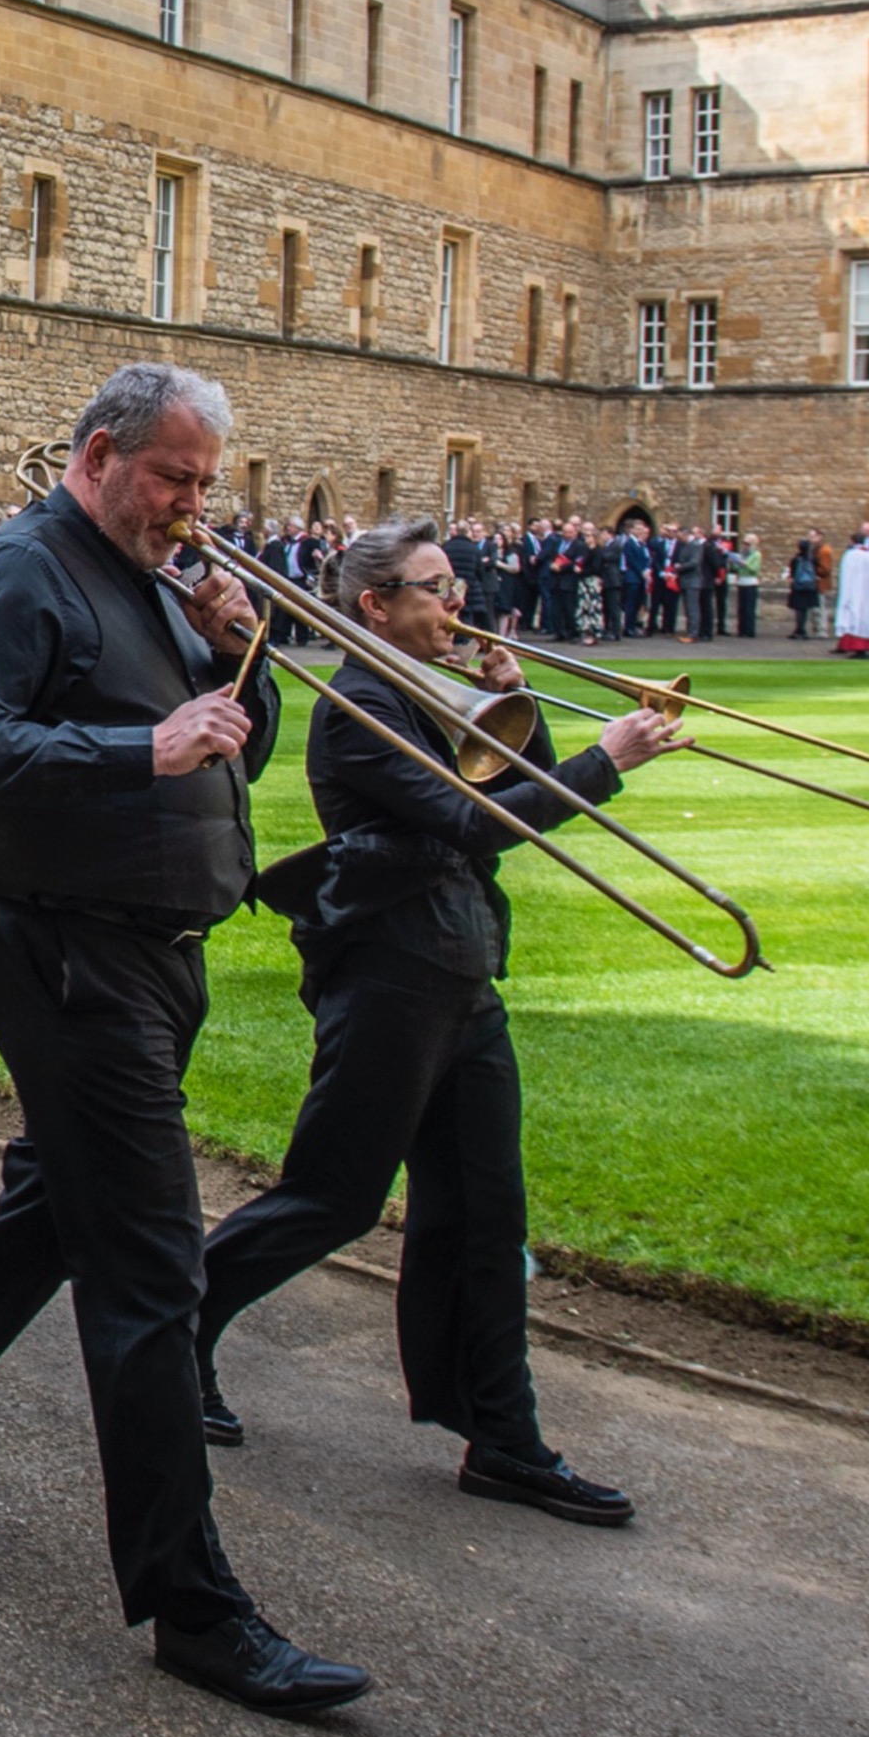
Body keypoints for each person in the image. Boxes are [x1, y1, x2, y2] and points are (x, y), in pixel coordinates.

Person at [0, 365, 364, 1723]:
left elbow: (227, 744)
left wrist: (233, 650)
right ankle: (195, 1606)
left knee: (56, 1215)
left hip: (156, 952)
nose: (195, 506)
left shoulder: (158, 571)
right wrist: (145, 740)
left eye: (207, 482)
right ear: (103, 452)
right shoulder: (24, 567)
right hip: (66, 952)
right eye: (176, 478)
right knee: (150, 1270)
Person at [198, 522, 678, 1522]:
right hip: (386, 972)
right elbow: (474, 820)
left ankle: (503, 1437)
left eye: (452, 583)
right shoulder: (356, 701)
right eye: (430, 588)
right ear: (372, 604)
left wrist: (522, 703)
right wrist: (608, 753)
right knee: (331, 1197)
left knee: (483, 1214)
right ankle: (168, 1326)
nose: (451, 604)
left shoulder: (427, 684)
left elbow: (503, 789)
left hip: (458, 964)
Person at [831, 527, 869, 655]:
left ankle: (860, 648)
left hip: (854, 591)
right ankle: (868, 647)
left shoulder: (851, 555)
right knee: (866, 617)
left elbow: (846, 576)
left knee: (854, 617)